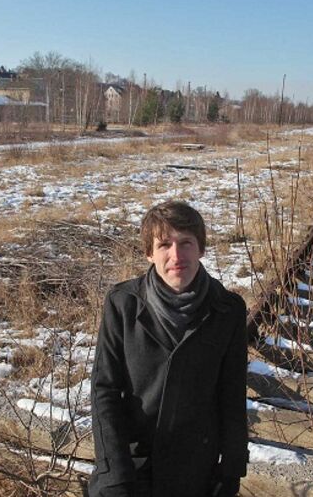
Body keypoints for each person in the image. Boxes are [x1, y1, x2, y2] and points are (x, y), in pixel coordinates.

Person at [89, 200, 249, 497]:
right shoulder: (123, 304)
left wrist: (231, 470)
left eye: (186, 243)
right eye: (164, 244)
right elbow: (104, 390)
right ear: (149, 253)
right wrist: (115, 475)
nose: (176, 255)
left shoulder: (228, 310)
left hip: (195, 473)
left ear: (201, 249)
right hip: (133, 465)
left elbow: (232, 393)